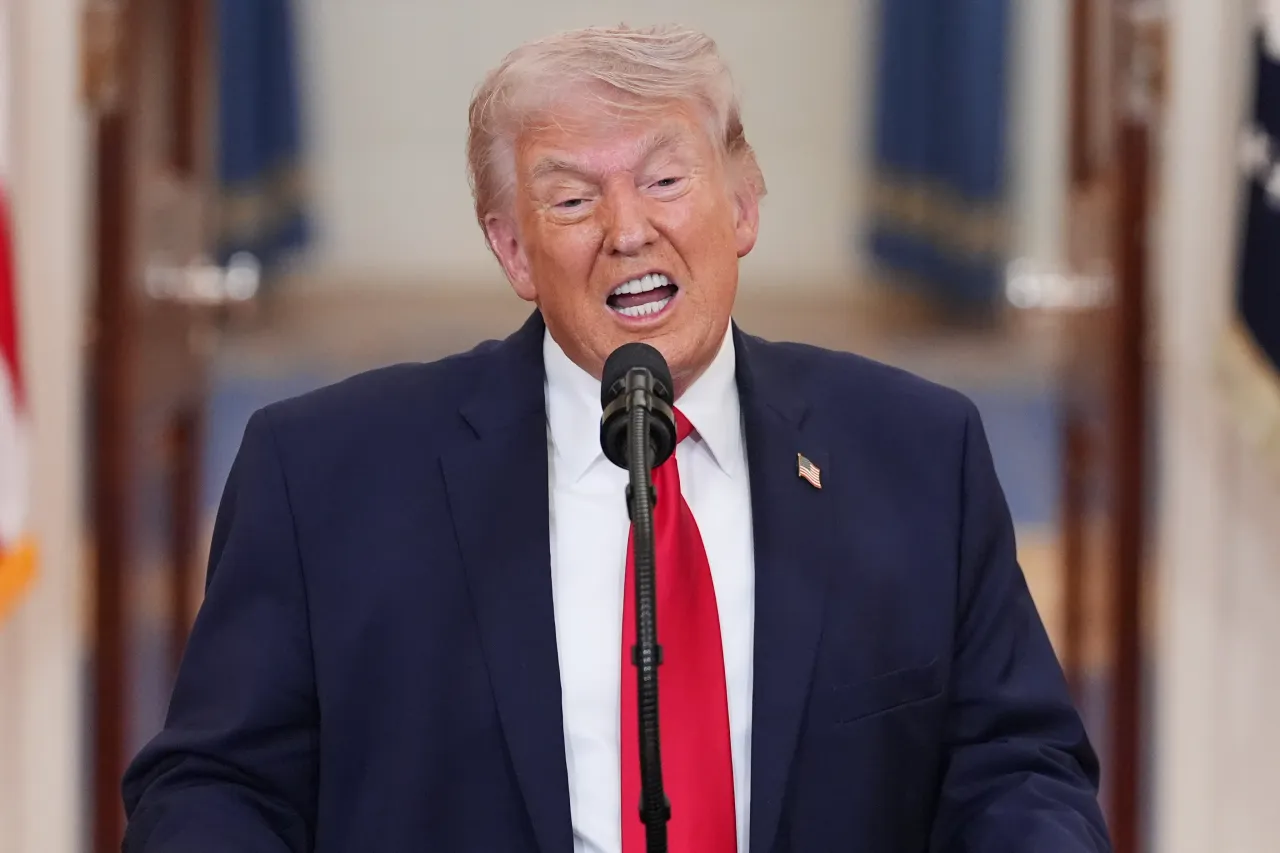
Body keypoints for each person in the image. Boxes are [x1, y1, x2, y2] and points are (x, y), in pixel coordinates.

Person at [121, 24, 1112, 853]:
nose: (627, 228)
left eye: (665, 179)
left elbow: (1018, 767)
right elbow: (216, 787)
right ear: (513, 249)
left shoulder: (918, 453)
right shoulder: (323, 478)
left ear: (743, 207)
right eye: (570, 198)